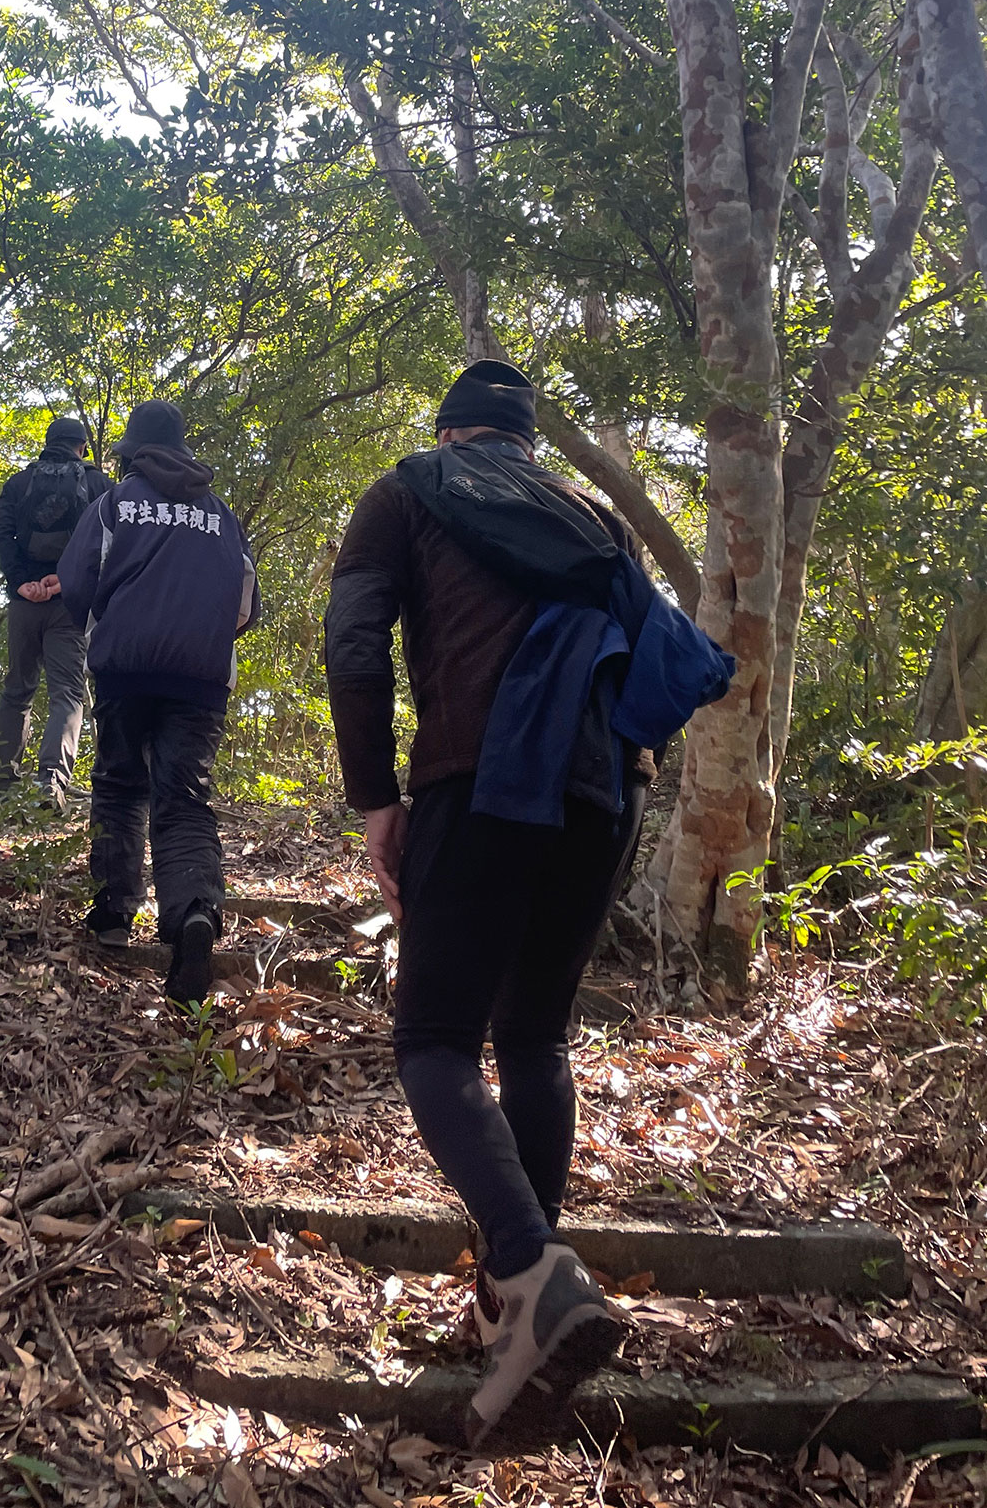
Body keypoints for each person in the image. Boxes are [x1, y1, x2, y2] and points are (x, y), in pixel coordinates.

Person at [323, 358, 729, 1451]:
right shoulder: (592, 516)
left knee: (435, 1042)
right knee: (537, 1035)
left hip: (479, 780)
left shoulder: (406, 491)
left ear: (450, 433)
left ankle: (528, 1267)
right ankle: (522, 1315)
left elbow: (354, 646)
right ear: (524, 445)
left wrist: (375, 801)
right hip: (607, 795)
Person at [58, 400, 261, 1003]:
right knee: (185, 795)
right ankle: (194, 911)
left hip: (125, 668)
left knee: (120, 784)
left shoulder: (114, 506)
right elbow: (246, 602)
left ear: (131, 454)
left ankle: (116, 915)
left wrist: (101, 618)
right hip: (199, 679)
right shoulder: (221, 515)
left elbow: (76, 583)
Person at [0, 415, 110, 809]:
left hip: (24, 603)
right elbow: (107, 541)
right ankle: (51, 781)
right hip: (70, 605)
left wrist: (21, 582)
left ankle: (3, 787)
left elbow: (2, 534)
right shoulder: (97, 484)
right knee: (68, 692)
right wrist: (67, 579)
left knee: (17, 691)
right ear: (82, 447)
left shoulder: (19, 483)